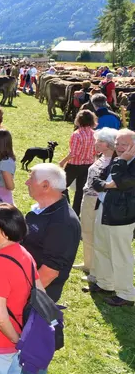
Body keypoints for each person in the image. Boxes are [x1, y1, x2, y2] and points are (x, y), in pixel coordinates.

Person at [0, 203, 46, 374]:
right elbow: (41, 293)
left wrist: (17, 341)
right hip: (20, 332)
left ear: (5, 232)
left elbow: (0, 317)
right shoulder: (23, 253)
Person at [85, 129, 135, 307]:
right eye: (118, 143)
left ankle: (126, 294)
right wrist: (108, 185)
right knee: (102, 248)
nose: (120, 148)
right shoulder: (116, 160)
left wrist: (121, 162)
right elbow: (96, 182)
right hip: (104, 209)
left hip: (122, 216)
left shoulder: (124, 162)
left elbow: (122, 182)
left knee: (121, 255)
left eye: (124, 144)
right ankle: (105, 283)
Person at [23, 164, 81, 303]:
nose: (26, 182)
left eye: (31, 178)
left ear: (45, 186)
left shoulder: (63, 222)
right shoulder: (41, 210)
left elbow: (49, 272)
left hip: (36, 296)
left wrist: (21, 297)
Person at [73, 128, 117, 279]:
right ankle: (88, 263)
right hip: (87, 198)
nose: (96, 143)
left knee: (95, 234)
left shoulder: (114, 162)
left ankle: (96, 270)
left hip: (97, 201)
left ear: (109, 144)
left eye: (100, 141)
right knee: (86, 231)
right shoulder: (100, 157)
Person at [59, 110, 98, 216]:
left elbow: (74, 153)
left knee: (60, 186)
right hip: (88, 165)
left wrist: (62, 161)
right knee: (80, 191)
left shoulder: (77, 134)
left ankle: (65, 208)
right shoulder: (95, 134)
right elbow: (96, 151)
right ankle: (75, 213)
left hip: (74, 165)